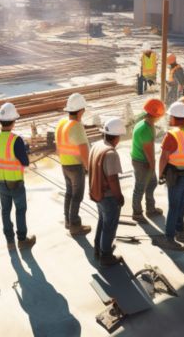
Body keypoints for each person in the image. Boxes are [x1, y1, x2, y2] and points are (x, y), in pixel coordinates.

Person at [0, 103, 35, 251]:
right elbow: (25, 162)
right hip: (15, 182)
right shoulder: (16, 140)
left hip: (0, 181)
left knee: (5, 210)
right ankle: (22, 240)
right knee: (20, 210)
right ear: (14, 121)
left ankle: (10, 242)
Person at [157, 102, 184, 251]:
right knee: (182, 202)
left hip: (174, 175)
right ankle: (180, 231)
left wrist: (160, 174)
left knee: (174, 205)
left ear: (176, 118)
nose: (169, 118)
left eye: (170, 116)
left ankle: (169, 238)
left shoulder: (172, 135)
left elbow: (164, 157)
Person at [89, 117, 126, 266]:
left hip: (97, 192)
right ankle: (106, 255)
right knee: (109, 226)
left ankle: (98, 248)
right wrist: (119, 196)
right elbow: (112, 179)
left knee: (103, 222)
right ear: (116, 137)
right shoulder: (111, 154)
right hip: (108, 196)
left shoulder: (97, 145)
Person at [55, 93, 91, 236]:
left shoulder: (62, 123)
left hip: (64, 164)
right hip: (76, 166)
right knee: (77, 196)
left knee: (69, 193)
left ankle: (68, 221)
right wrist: (88, 167)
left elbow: (57, 147)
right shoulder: (76, 126)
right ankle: (75, 225)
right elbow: (83, 149)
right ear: (81, 110)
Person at [130, 98, 165, 223]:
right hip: (142, 162)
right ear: (157, 114)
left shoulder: (146, 123)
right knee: (140, 187)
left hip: (141, 159)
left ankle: (150, 209)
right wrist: (153, 166)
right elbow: (149, 152)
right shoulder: (145, 129)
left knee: (151, 184)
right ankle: (137, 213)